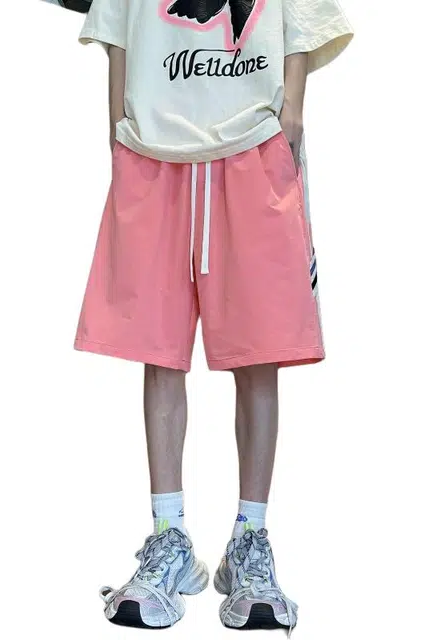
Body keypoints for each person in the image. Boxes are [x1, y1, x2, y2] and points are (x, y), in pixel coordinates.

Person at [73, 0, 353, 632]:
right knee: (158, 350)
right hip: (153, 144)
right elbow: (115, 25)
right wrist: (118, 125)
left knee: (258, 353)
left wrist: (292, 113)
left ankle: (250, 542)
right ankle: (168, 538)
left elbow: (303, 17)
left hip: (250, 140)